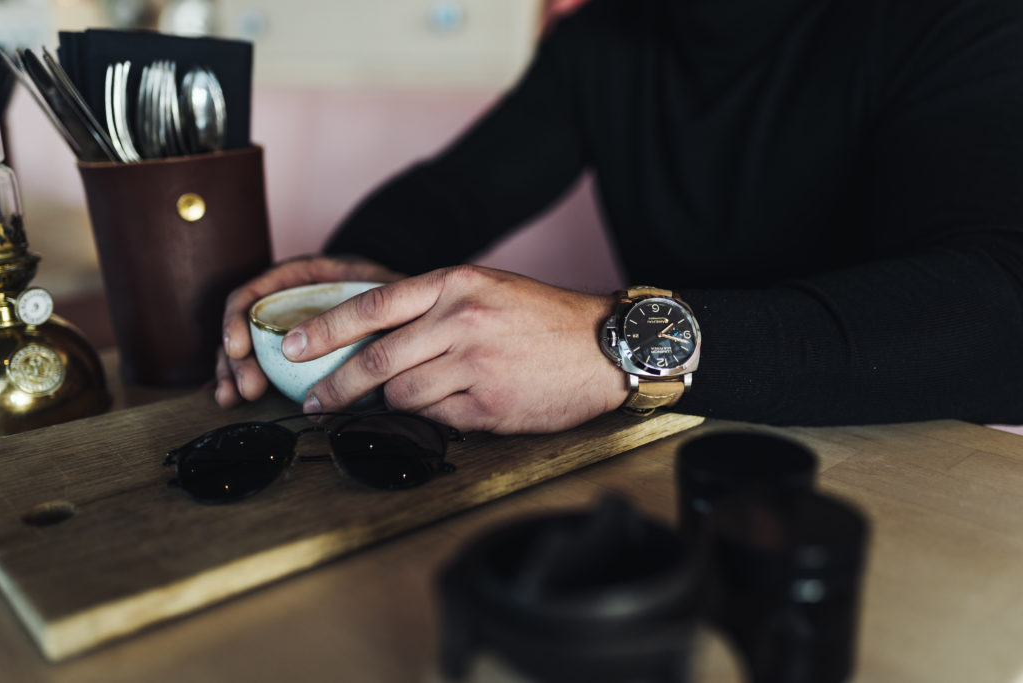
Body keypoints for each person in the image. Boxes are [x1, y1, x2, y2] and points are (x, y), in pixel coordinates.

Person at [216, 0, 1023, 434]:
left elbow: (1001, 314)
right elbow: (453, 195)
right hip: (679, 458)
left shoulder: (955, 20)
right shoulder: (604, 39)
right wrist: (360, 282)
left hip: (906, 476)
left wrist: (613, 343)